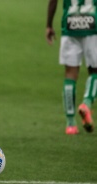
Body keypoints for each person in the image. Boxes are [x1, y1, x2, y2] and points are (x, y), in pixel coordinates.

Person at [46, 0, 96, 135]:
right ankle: (86, 103)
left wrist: (49, 25)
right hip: (93, 24)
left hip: (70, 25)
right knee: (95, 71)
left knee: (70, 74)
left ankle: (70, 125)